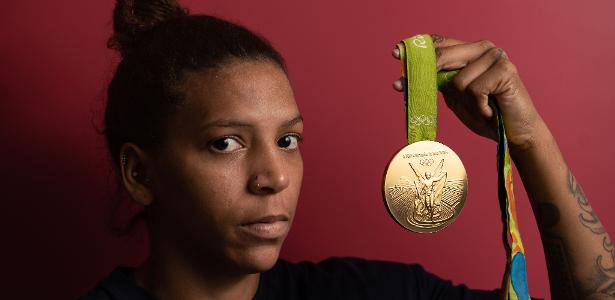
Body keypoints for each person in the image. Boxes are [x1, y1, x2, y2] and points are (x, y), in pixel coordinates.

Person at [82, 0, 615, 299]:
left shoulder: (369, 295)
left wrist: (527, 138)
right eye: (225, 143)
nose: (274, 176)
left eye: (288, 140)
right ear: (140, 175)